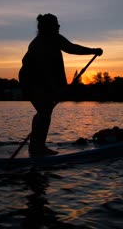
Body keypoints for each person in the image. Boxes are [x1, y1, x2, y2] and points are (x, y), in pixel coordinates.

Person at [19, 14, 103, 156]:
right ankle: (37, 147)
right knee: (44, 112)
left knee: (44, 112)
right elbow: (43, 71)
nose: (59, 26)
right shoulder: (38, 44)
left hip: (43, 80)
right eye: (56, 24)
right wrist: (57, 88)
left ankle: (36, 145)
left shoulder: (55, 38)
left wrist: (93, 51)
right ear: (47, 27)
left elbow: (71, 48)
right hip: (31, 80)